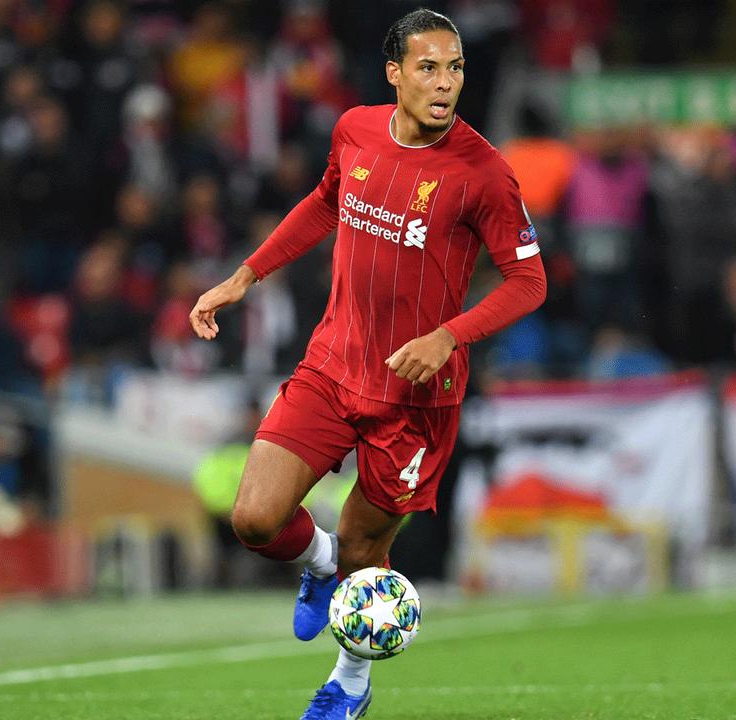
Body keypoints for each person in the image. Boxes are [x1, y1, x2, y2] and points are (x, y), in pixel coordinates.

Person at [188, 9, 546, 720]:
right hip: (334, 363)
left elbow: (528, 282)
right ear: (394, 73)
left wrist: (449, 336)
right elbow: (325, 203)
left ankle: (350, 682)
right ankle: (319, 564)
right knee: (254, 519)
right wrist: (245, 275)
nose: (445, 84)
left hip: (415, 396)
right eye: (428, 68)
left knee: (364, 550)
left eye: (455, 68)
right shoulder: (354, 130)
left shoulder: (484, 173)